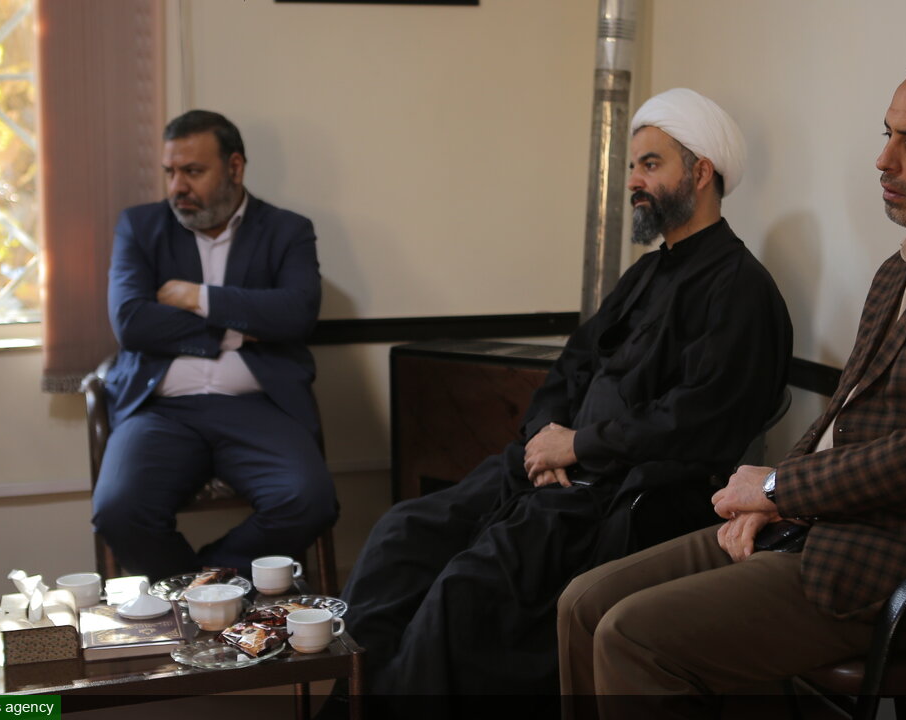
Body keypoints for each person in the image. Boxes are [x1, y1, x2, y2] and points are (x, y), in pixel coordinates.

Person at [558, 52, 906, 717]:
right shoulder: (900, 269)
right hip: (825, 527)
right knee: (582, 603)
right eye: (887, 134)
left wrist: (779, 489)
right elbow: (841, 417)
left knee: (632, 635)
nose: (883, 160)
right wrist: (771, 499)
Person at [341, 89, 793, 696]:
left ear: (701, 172)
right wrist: (542, 440)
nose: (633, 181)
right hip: (550, 474)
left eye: (650, 164)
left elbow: (696, 420)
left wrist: (578, 446)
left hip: (616, 497)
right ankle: (353, 700)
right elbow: (572, 366)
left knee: (466, 588)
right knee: (402, 534)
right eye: (632, 166)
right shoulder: (646, 273)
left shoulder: (741, 290)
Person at [92, 110, 337, 581]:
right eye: (170, 172)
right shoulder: (140, 227)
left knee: (309, 500)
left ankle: (209, 580)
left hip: (259, 407)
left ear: (235, 168)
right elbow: (132, 323)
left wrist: (195, 297)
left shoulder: (287, 230)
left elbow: (297, 314)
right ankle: (196, 591)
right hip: (160, 411)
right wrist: (241, 325)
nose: (177, 187)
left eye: (193, 171)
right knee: (119, 510)